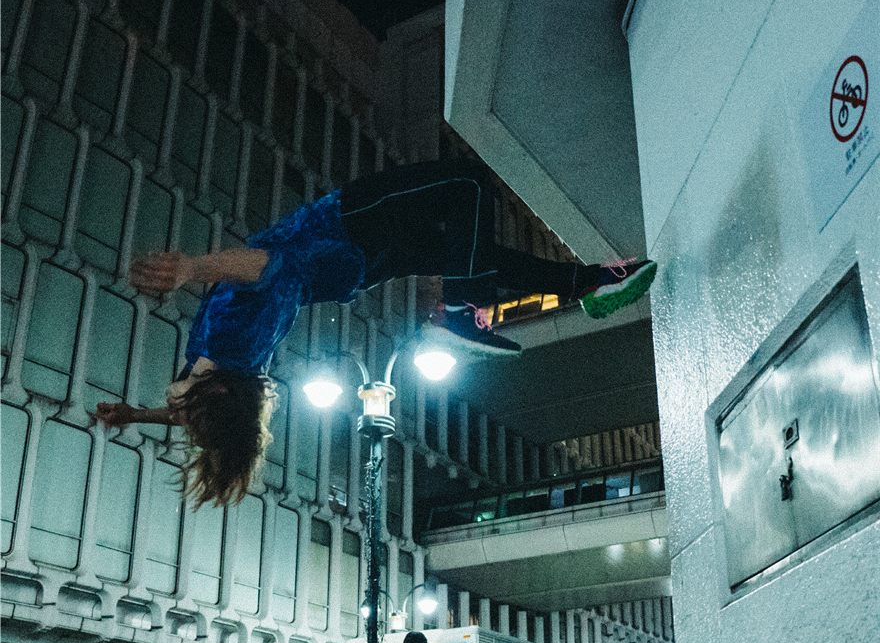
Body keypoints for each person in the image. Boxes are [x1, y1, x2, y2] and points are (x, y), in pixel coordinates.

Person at [95, 158, 656, 507]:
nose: (177, 410)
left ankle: (589, 284)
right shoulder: (232, 344)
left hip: (357, 267)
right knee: (466, 183)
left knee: (467, 250)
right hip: (346, 228)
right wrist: (193, 268)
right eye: (187, 412)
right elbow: (270, 266)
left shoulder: (219, 377)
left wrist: (136, 415)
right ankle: (460, 311)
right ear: (215, 393)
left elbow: (187, 416)